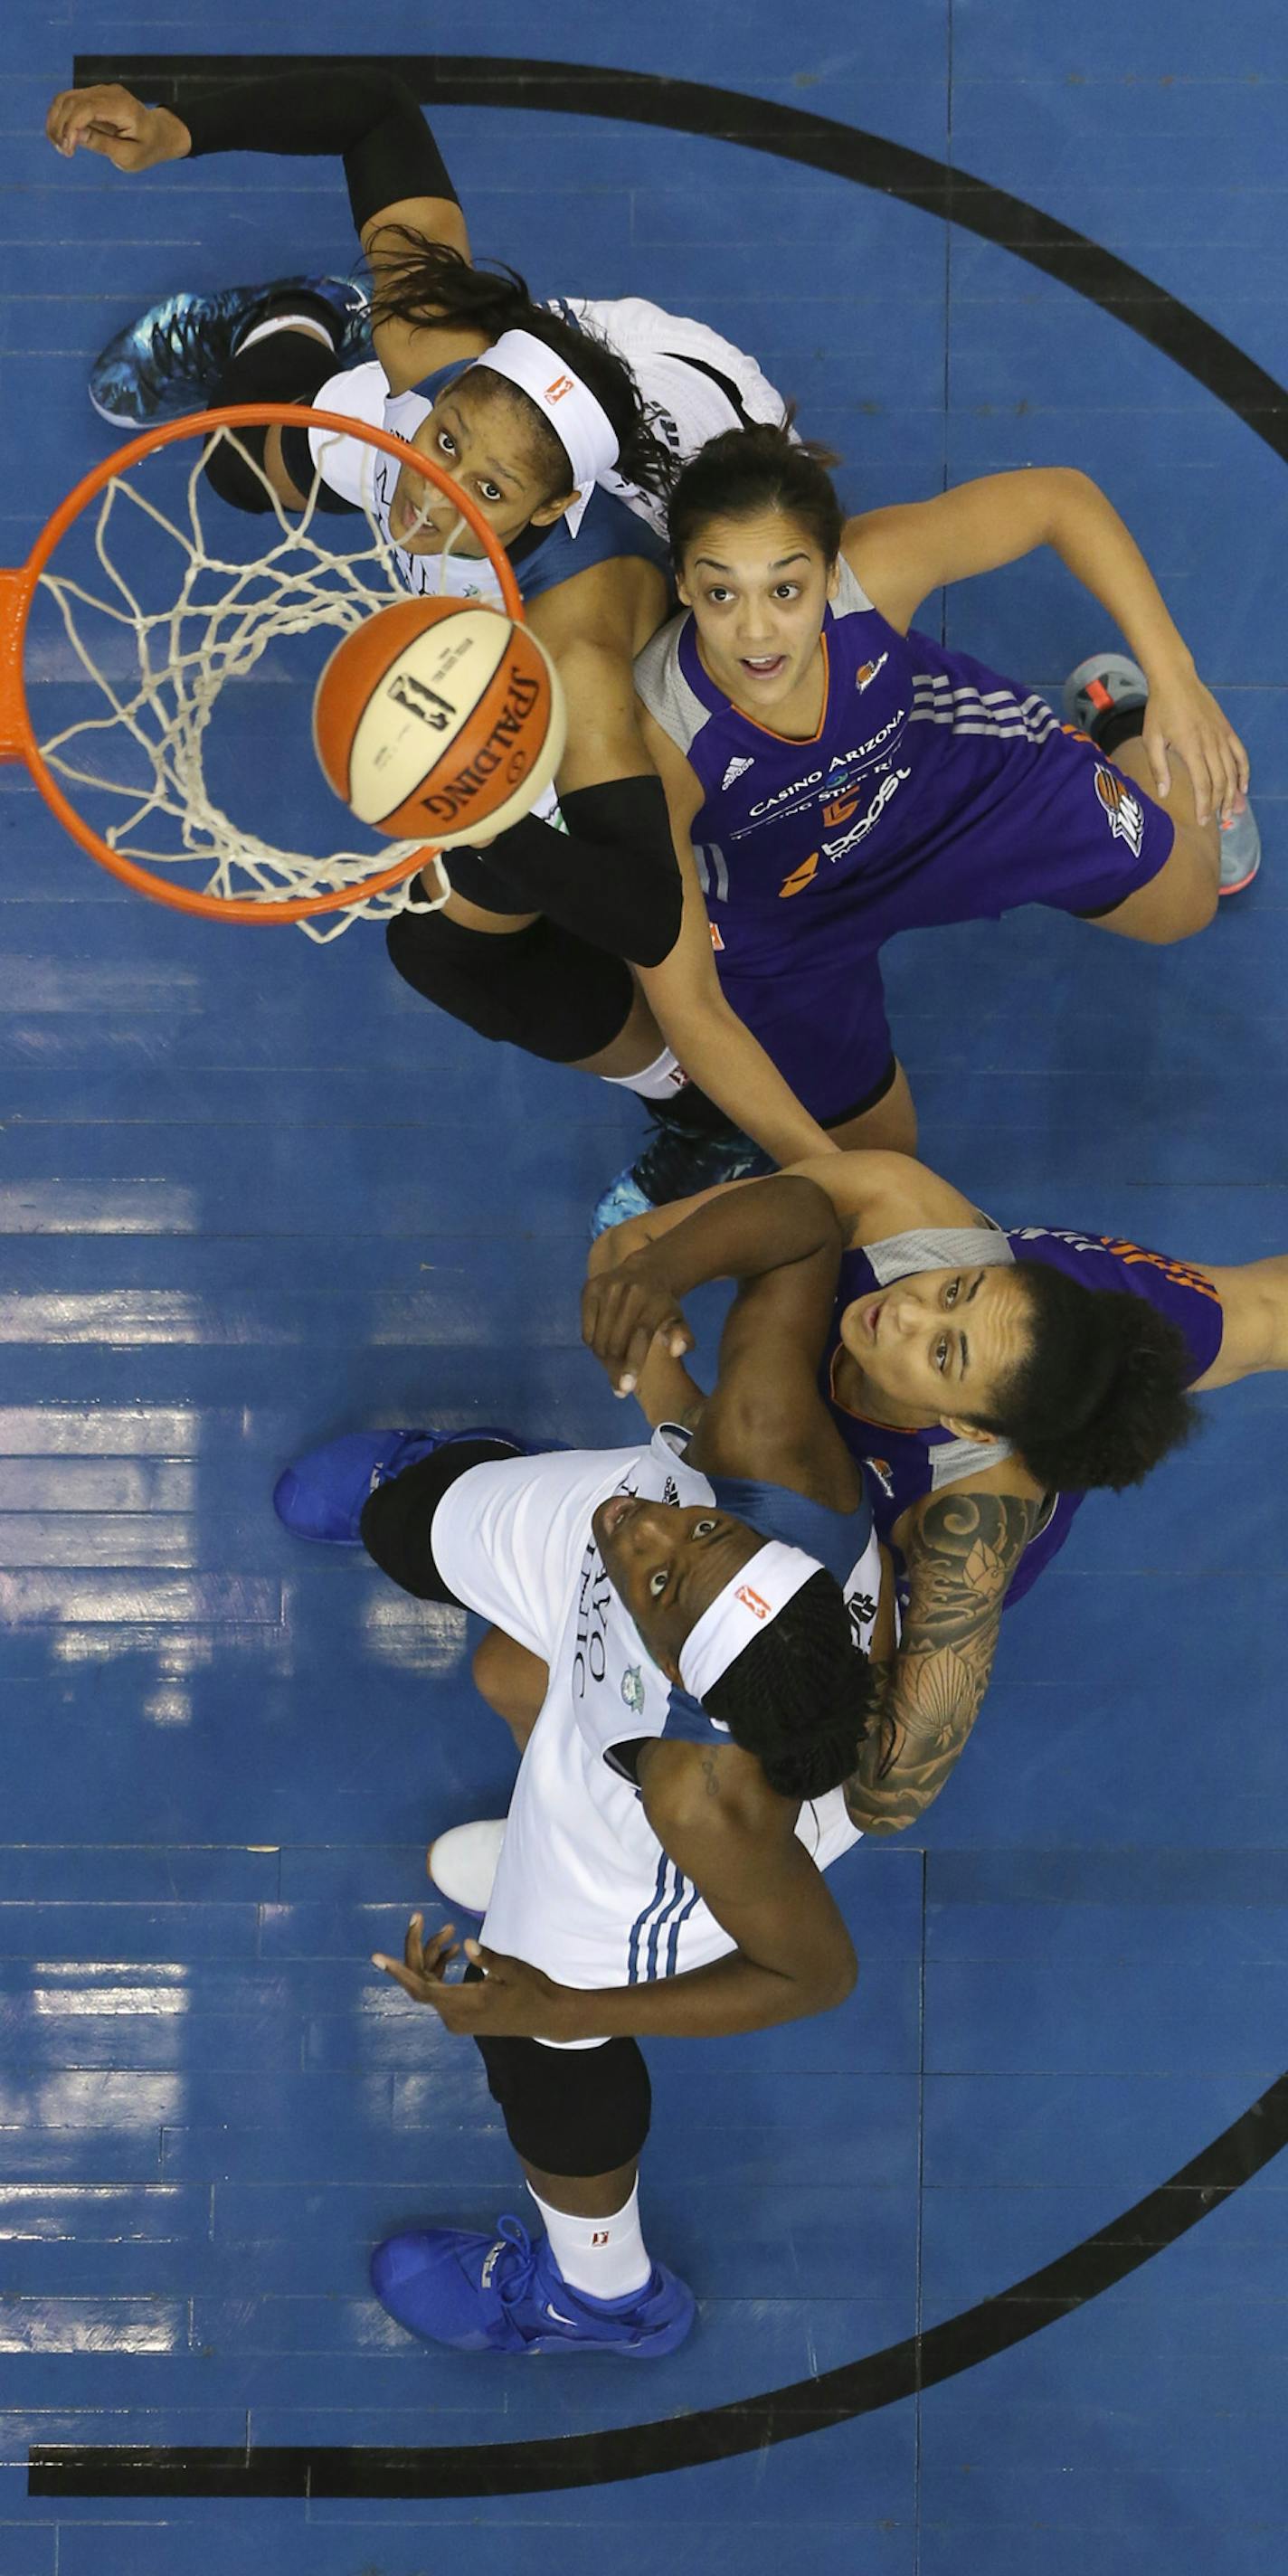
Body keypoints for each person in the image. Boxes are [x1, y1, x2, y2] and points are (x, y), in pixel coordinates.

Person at [45, 68, 844, 1189]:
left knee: (443, 947)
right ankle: (297, 316)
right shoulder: (433, 358)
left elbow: (644, 904)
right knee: (240, 468)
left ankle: (686, 1099)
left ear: (549, 509)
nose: (434, 491)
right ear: (450, 379)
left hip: (703, 447)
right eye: (450, 437)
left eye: (487, 486)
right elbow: (371, 110)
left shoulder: (577, 633)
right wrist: (178, 125)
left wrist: (478, 819)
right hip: (557, 405)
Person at [271, 1175, 890, 2358]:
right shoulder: (760, 1463)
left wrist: (565, 2000)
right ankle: (434, 1477)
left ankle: (599, 2295)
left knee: (530, 2028)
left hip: (645, 1869)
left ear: (682, 1684)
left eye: (665, 1574)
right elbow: (807, 1221)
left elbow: (811, 1976)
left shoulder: (693, 1801)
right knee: (463, 1556)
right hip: (672, 1624)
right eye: (703, 1533)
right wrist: (665, 1277)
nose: (650, 1537)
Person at [593, 421, 1261, 1226]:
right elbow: (691, 1002)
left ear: (830, 573)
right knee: (881, 1158)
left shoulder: (873, 577)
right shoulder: (659, 743)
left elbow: (1058, 499)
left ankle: (1125, 718)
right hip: (783, 916)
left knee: (1187, 902)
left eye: (786, 589)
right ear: (685, 585)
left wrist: (1176, 675)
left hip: (954, 791)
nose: (758, 632)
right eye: (721, 593)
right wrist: (834, 1178)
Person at [586, 1143, 1287, 1833]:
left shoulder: (967, 1528)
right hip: (1048, 1313)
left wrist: (695, 1443)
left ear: (967, 1426)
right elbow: (624, 1246)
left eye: (942, 1351)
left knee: (1259, 1325)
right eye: (953, 1291)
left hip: (910, 1519)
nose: (905, 1313)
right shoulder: (900, 1208)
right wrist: (660, 1328)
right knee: (1255, 1314)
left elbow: (884, 1798)